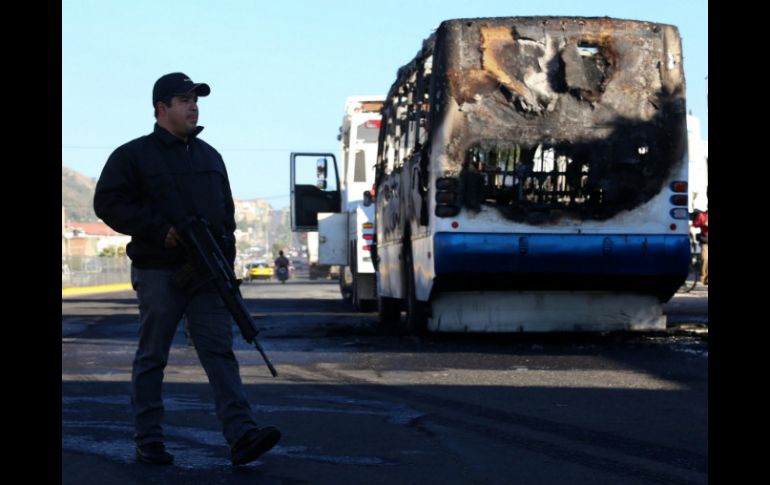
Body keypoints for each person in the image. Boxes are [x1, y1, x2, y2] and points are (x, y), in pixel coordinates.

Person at [93, 72, 281, 466]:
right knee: (153, 356)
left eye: (195, 99)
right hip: (159, 270)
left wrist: (226, 269)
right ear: (161, 108)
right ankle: (149, 440)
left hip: (208, 273)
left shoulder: (210, 157)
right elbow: (108, 204)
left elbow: (226, 218)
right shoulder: (133, 155)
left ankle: (242, 435)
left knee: (219, 351)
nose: (193, 106)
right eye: (183, 100)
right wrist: (161, 231)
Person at [692, 208, 708, 285]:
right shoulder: (702, 215)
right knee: (704, 258)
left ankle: (706, 278)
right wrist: (703, 223)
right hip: (705, 240)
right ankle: (703, 276)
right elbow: (695, 224)